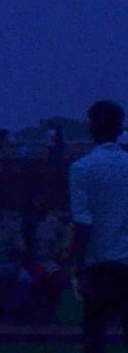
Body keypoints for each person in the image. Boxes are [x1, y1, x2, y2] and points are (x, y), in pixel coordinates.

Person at [69, 101, 128, 353]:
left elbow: (82, 221)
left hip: (99, 264)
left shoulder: (82, 168)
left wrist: (79, 268)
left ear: (91, 128)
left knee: (94, 338)